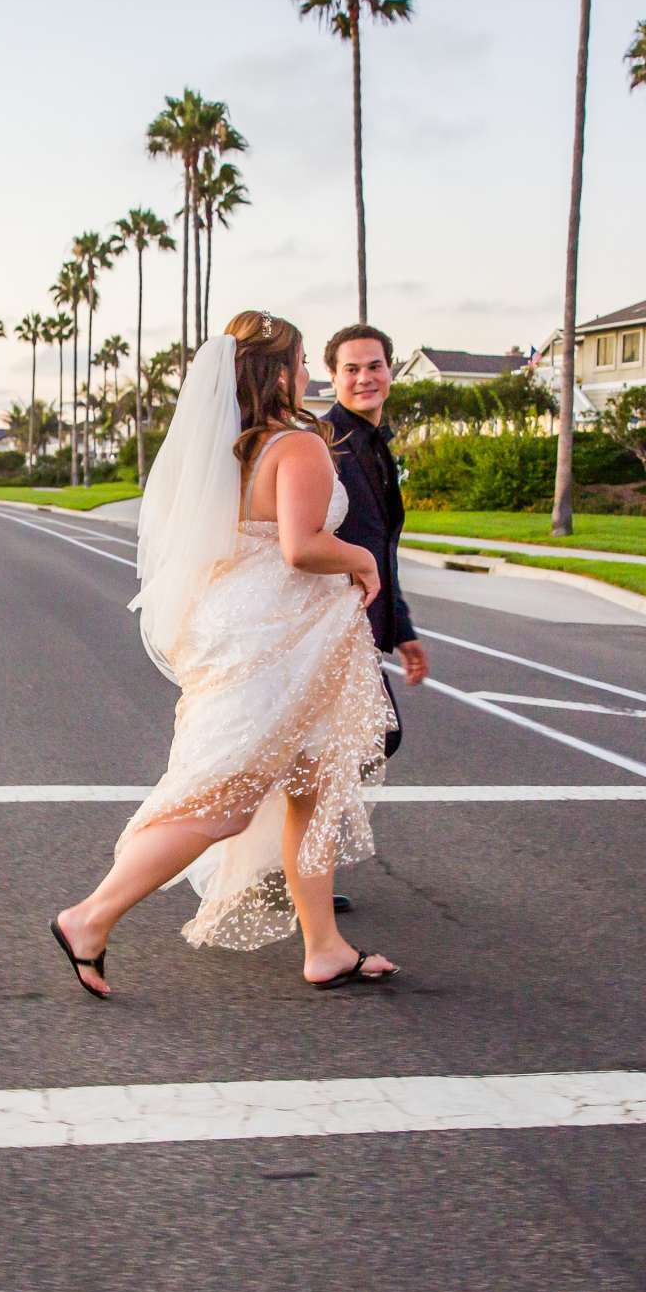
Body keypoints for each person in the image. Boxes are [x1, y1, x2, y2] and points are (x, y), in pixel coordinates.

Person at [50, 310, 401, 998]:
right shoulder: (296, 447)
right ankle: (89, 917)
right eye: (301, 362)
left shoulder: (235, 450)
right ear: (275, 372)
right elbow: (302, 547)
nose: (309, 375)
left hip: (269, 635)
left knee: (313, 788)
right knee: (223, 801)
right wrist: (362, 557)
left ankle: (325, 947)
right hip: (277, 645)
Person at [320, 324, 425, 913]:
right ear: (333, 376)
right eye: (352, 369)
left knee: (354, 742)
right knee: (370, 736)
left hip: (362, 620)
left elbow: (382, 543)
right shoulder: (327, 442)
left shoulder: (373, 441)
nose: (365, 378)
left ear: (391, 372)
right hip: (330, 620)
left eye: (376, 366)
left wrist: (402, 628)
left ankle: (296, 861)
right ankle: (293, 860)